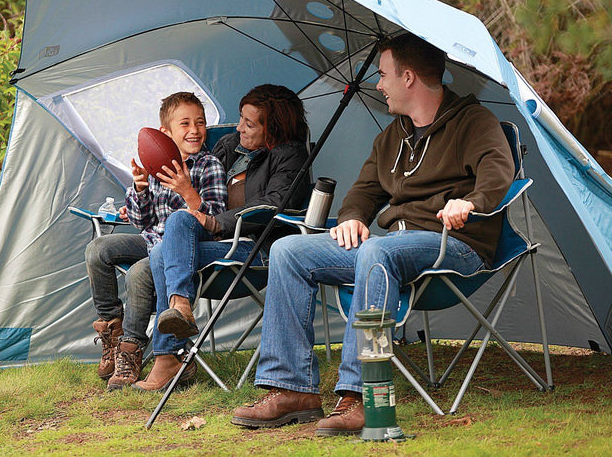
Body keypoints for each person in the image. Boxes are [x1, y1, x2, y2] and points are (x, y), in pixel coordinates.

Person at [231, 34, 515, 435]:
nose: (378, 84)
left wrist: (470, 202)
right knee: (289, 251)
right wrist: (352, 217)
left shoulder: (474, 122)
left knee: (376, 254)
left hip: (455, 243)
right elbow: (364, 191)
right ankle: (291, 388)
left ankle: (359, 396)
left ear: (409, 77)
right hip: (389, 246)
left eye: (383, 75)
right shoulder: (392, 136)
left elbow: (497, 172)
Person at [128, 84, 310, 392]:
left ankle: (167, 353)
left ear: (272, 128)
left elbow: (272, 204)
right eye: (241, 118)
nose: (238, 127)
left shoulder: (290, 157)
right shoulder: (229, 145)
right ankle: (180, 309)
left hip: (254, 251)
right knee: (175, 226)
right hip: (214, 245)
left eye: (249, 124)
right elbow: (200, 179)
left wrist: (214, 222)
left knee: (163, 251)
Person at [84, 92, 226, 389]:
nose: (195, 130)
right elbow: (140, 221)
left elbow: (217, 222)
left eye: (200, 123)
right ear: (166, 133)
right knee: (98, 249)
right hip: (150, 239)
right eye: (185, 123)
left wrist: (189, 192)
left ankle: (132, 349)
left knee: (138, 272)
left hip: (179, 250)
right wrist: (139, 188)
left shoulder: (208, 165)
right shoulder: (155, 165)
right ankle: (112, 331)